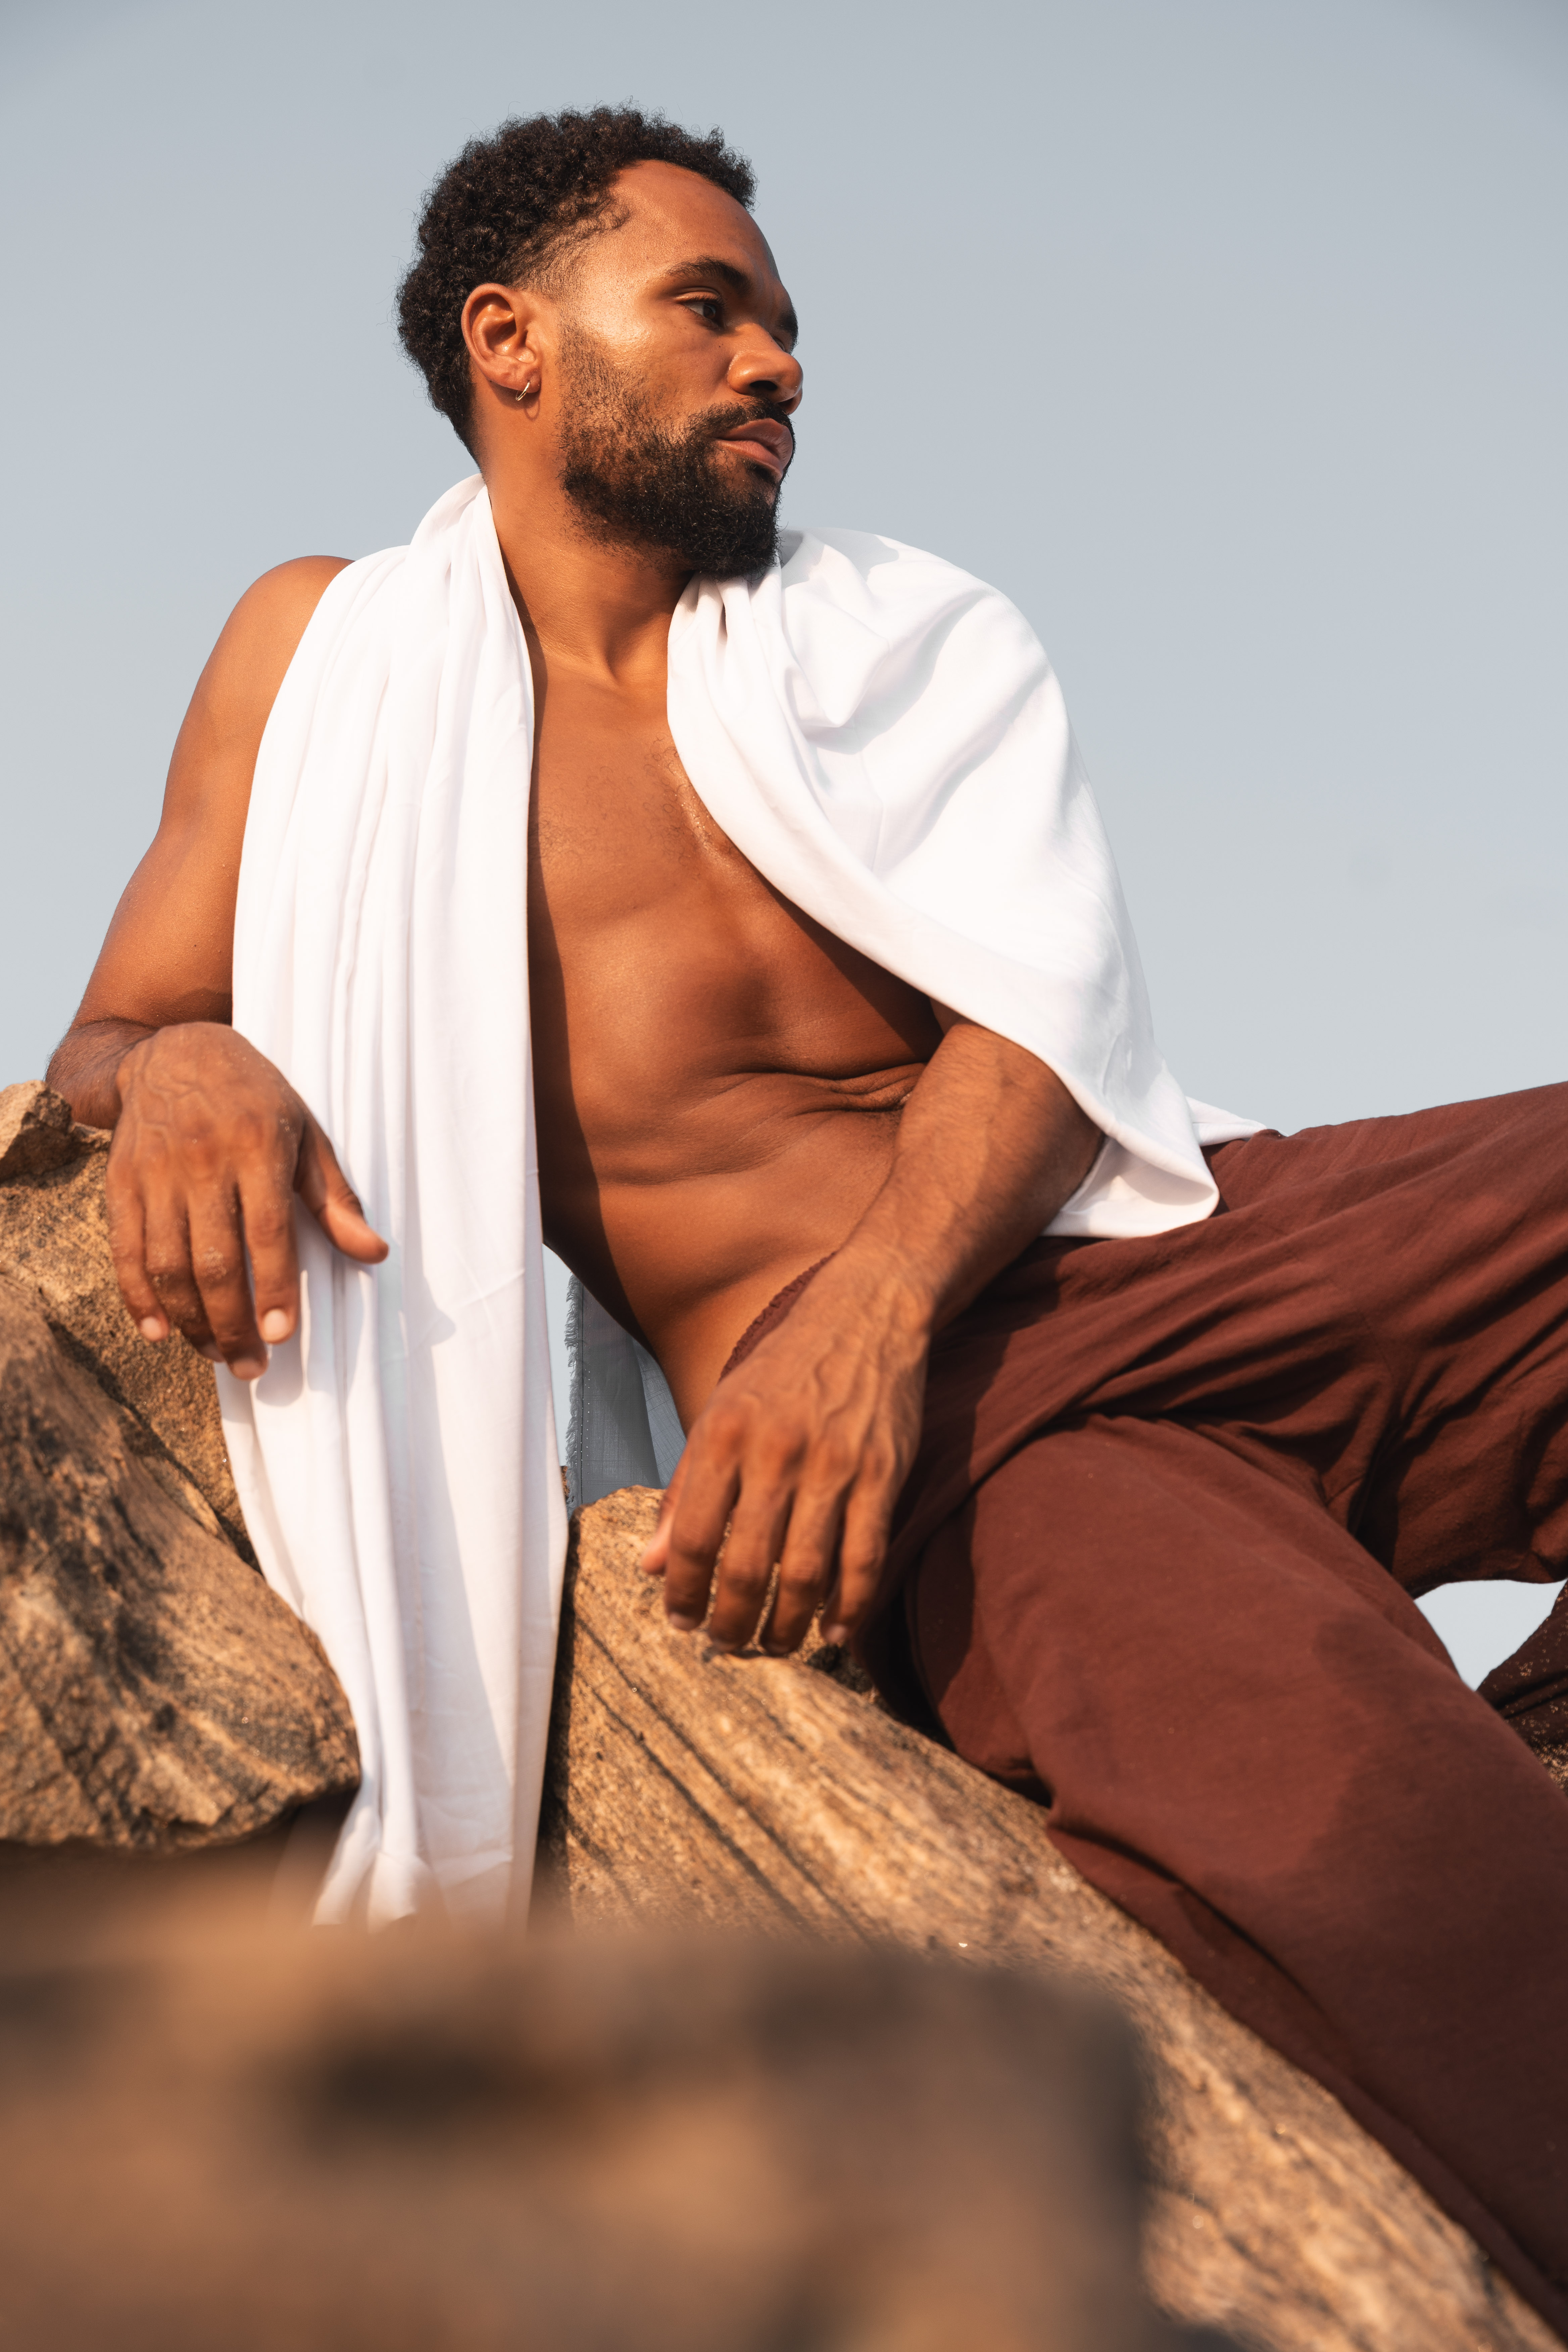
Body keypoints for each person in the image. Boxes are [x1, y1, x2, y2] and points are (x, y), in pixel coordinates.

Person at [47, 107, 1568, 2331]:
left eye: (783, 326)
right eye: (711, 307)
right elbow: (110, 1035)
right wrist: (185, 1064)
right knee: (1365, 1840)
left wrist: (876, 1308)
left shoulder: (898, 627)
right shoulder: (323, 659)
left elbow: (1050, 1019)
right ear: (513, 342)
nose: (776, 364)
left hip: (1175, 1244)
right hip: (929, 1455)